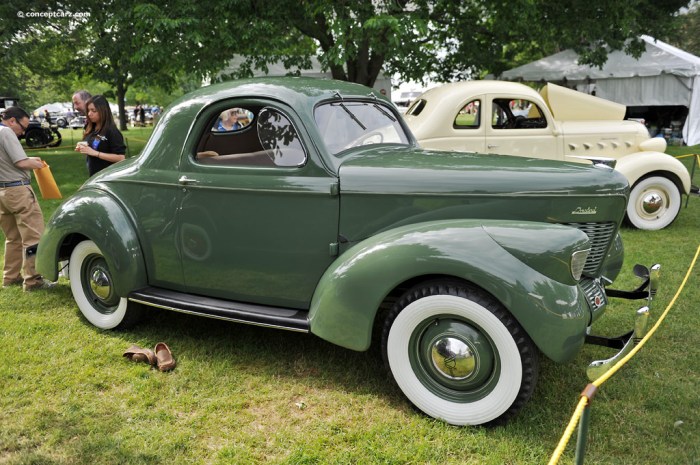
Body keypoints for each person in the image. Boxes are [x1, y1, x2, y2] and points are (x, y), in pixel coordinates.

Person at [0, 107, 55, 291]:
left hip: (2, 192)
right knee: (33, 237)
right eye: (22, 127)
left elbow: (8, 160)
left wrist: (28, 158)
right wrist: (36, 163)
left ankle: (10, 278)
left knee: (12, 238)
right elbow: (20, 162)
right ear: (12, 121)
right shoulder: (6, 132)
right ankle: (33, 281)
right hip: (18, 191)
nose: (23, 132)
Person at [75, 95, 126, 176]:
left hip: (108, 178)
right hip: (94, 176)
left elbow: (121, 158)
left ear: (103, 111)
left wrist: (96, 153)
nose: (89, 114)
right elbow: (93, 147)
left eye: (93, 110)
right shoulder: (91, 127)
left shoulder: (112, 131)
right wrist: (83, 147)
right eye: (88, 110)